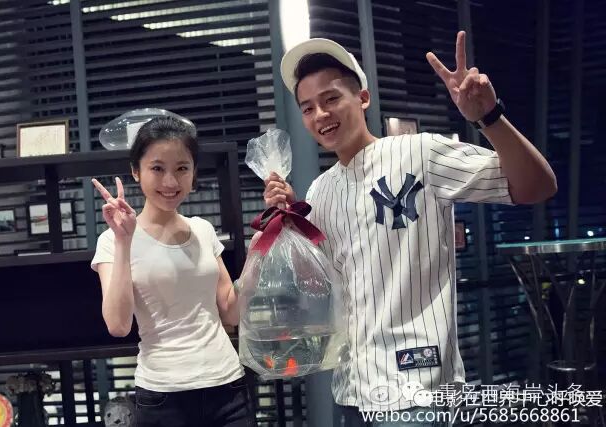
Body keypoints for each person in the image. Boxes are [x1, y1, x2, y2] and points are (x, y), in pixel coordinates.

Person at [262, 32, 557, 426]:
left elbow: (538, 186)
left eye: (331, 99)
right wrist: (289, 222)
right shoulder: (320, 191)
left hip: (418, 391)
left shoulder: (419, 152)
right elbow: (319, 287)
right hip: (351, 390)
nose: (320, 115)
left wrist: (489, 117)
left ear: (362, 97)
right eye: (308, 108)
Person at [90, 116, 254, 427]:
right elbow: (118, 325)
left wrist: (257, 259)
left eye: (181, 168)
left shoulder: (203, 230)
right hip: (162, 396)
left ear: (193, 172)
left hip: (228, 387)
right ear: (136, 171)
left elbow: (231, 312)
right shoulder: (112, 240)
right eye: (157, 168)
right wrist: (124, 241)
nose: (170, 182)